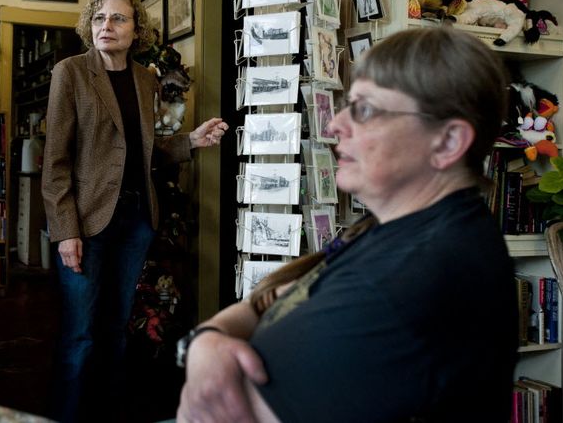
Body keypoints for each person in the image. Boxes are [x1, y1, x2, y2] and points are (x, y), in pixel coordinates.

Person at [177, 27, 518, 422]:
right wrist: (207, 343)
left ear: (447, 142)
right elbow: (267, 302)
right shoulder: (394, 230)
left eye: (365, 109)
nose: (335, 125)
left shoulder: (412, 275)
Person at [42, 0, 228, 423]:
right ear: (91, 26)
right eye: (100, 18)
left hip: (135, 219)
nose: (107, 25)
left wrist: (190, 142)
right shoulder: (70, 72)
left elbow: (139, 151)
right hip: (87, 222)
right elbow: (56, 161)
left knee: (114, 331)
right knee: (80, 335)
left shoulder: (146, 79)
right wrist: (66, 230)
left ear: (136, 29)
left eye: (118, 18)